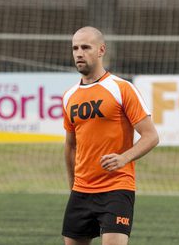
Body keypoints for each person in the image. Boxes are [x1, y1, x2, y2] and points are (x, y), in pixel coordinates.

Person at [61, 26, 159, 245]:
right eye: (75, 48)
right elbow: (70, 146)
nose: (79, 53)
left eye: (86, 47)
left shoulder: (122, 88)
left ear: (101, 50)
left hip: (117, 188)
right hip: (81, 191)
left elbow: (151, 136)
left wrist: (124, 158)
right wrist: (73, 186)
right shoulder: (69, 96)